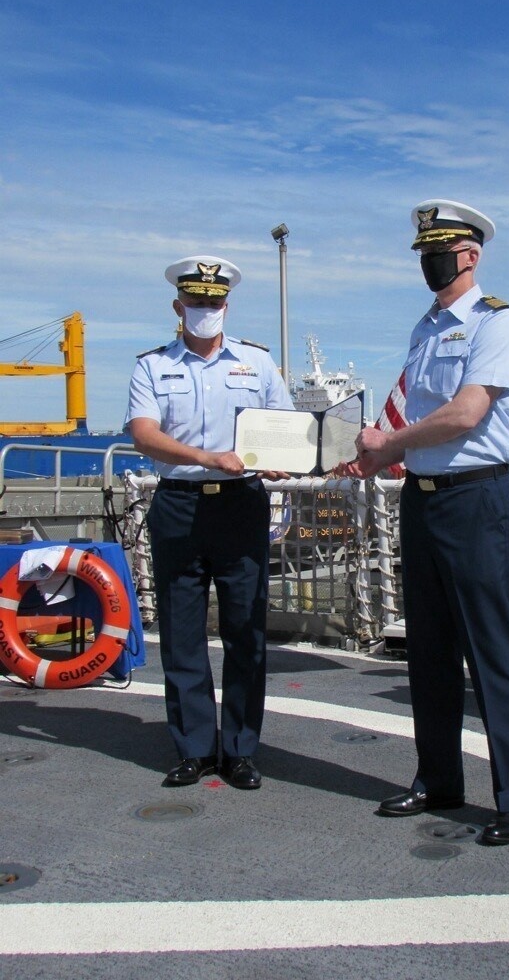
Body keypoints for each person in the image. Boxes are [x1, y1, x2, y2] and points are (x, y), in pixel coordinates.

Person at [347, 200, 509, 846]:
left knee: (492, 651)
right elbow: (420, 412)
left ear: (470, 254)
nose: (431, 262)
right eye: (424, 251)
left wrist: (390, 444)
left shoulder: (498, 322)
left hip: (475, 500)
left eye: (442, 250)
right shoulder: (424, 328)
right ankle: (438, 779)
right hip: (424, 501)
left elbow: (465, 414)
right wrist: (384, 451)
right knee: (428, 651)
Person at [126, 256, 293, 789]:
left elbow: (285, 427)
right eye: (196, 302)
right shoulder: (152, 367)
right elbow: (145, 435)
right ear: (179, 306)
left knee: (246, 630)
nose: (206, 311)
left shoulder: (258, 364)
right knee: (181, 632)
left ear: (228, 305)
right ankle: (194, 748)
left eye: (214, 302)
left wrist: (288, 455)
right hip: (178, 505)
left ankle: (242, 749)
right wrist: (207, 456)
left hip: (241, 504)